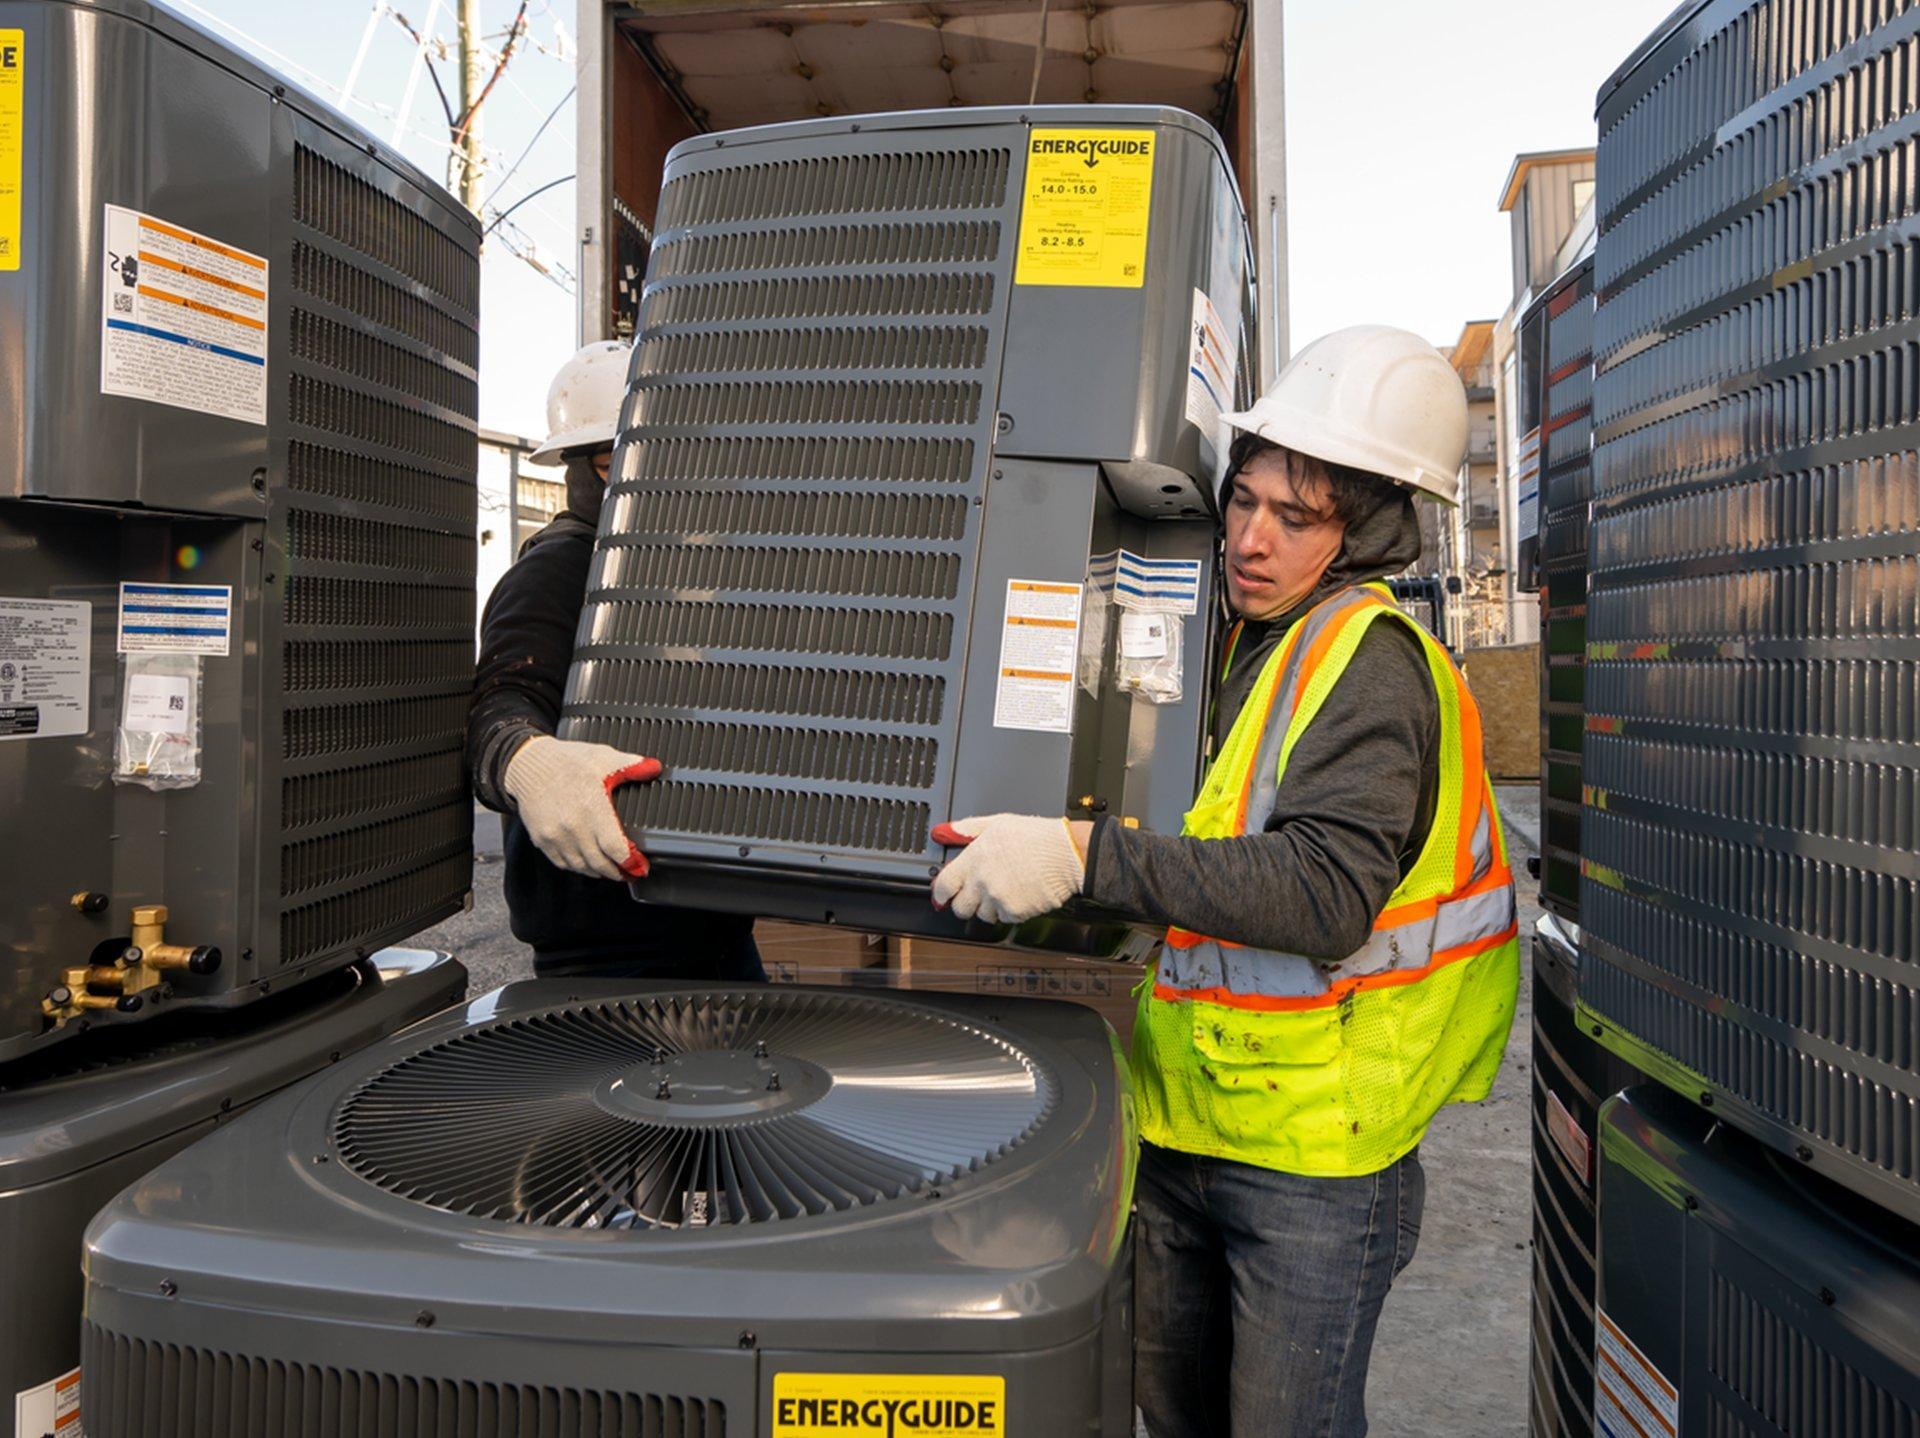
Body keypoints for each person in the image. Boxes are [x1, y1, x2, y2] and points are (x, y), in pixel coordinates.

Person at [931, 326, 1520, 1437]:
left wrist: (1080, 858)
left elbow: (1321, 895)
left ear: (1373, 530)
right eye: (1243, 501)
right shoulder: (1241, 641)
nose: (1249, 538)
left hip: (1315, 1165)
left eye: (1294, 518)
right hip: (1187, 1124)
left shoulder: (1375, 665)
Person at [467, 341, 763, 981]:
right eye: (616, 463)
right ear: (582, 469)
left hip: (708, 923)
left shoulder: (672, 574)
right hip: (603, 942)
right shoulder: (559, 569)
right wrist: (526, 761)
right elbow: (501, 702)